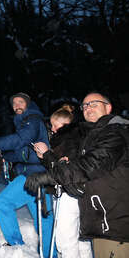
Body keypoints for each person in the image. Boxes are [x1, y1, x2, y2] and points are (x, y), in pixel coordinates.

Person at [25, 93, 129, 258]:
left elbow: (88, 165)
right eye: (85, 105)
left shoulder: (115, 132)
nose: (88, 108)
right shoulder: (91, 134)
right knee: (78, 243)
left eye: (94, 104)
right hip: (101, 218)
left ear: (108, 107)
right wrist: (49, 159)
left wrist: (50, 168)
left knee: (67, 241)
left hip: (115, 222)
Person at [0, 92, 56, 257]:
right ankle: (22, 247)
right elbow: (22, 153)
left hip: (40, 176)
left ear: (28, 104)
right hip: (29, 175)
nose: (17, 106)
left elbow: (21, 139)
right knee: (40, 219)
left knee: (42, 219)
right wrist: (2, 155)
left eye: (20, 102)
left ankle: (46, 253)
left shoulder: (33, 120)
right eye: (14, 103)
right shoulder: (24, 123)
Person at [30, 104, 93, 258]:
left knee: (65, 240)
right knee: (80, 239)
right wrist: (44, 157)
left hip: (68, 192)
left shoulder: (70, 140)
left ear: (66, 125)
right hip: (71, 192)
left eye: (55, 125)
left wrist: (47, 154)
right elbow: (56, 167)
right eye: (51, 125)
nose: (52, 129)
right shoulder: (69, 138)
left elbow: (65, 170)